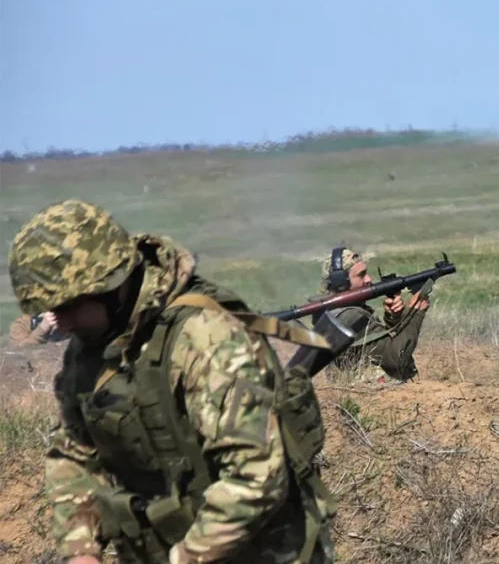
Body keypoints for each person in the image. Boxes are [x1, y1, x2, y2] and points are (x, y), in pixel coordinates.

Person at [6, 199, 337, 564]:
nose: (62, 325)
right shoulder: (89, 348)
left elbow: (256, 474)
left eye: (67, 307)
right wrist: (80, 549)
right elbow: (74, 453)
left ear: (108, 286)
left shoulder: (205, 335)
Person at [312, 246, 430, 381]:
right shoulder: (349, 316)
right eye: (361, 275)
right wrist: (415, 311)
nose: (368, 279)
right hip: (373, 390)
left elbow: (382, 348)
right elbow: (397, 358)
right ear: (341, 284)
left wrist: (393, 317)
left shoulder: (335, 312)